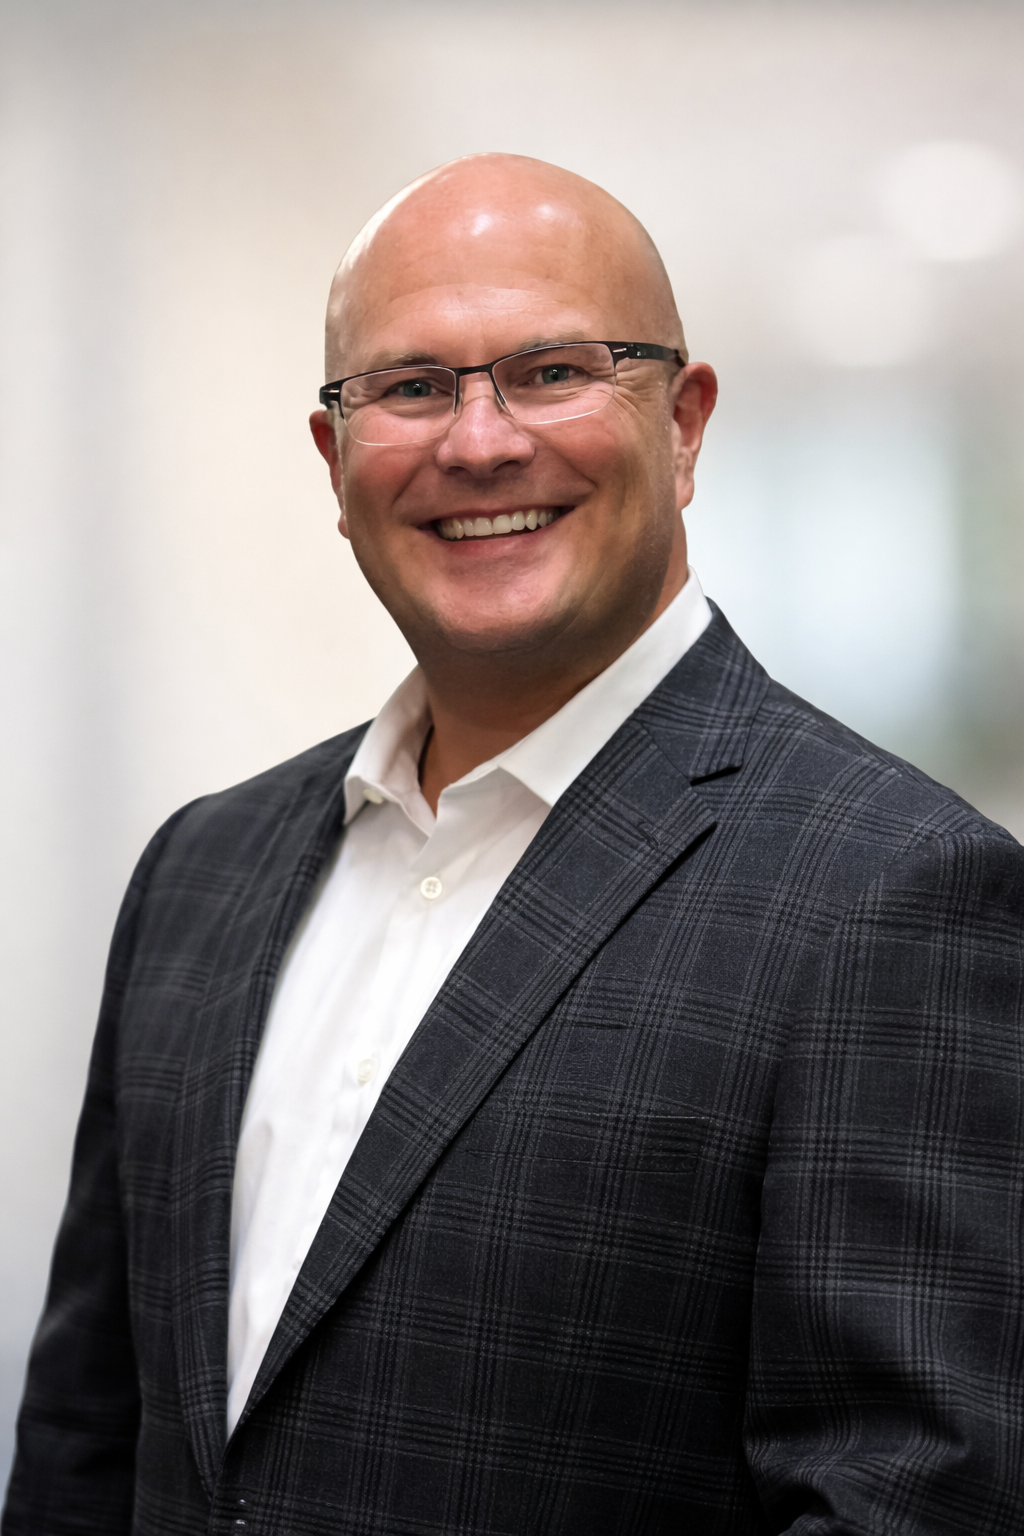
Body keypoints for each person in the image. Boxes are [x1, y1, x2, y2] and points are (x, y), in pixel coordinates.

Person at [3, 153, 1022, 1536]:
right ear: (335, 460)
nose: (478, 443)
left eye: (552, 372)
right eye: (412, 387)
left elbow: (911, 1505)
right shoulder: (201, 871)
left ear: (685, 425)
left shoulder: (896, 894)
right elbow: (84, 1439)